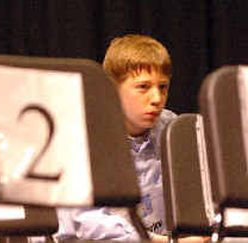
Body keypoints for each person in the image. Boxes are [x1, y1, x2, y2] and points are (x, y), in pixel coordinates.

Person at [55, 34, 204, 242]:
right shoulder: (82, 136)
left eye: (163, 87)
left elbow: (204, 190)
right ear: (111, 89)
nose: (156, 99)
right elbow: (86, 222)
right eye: (143, 87)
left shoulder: (172, 129)